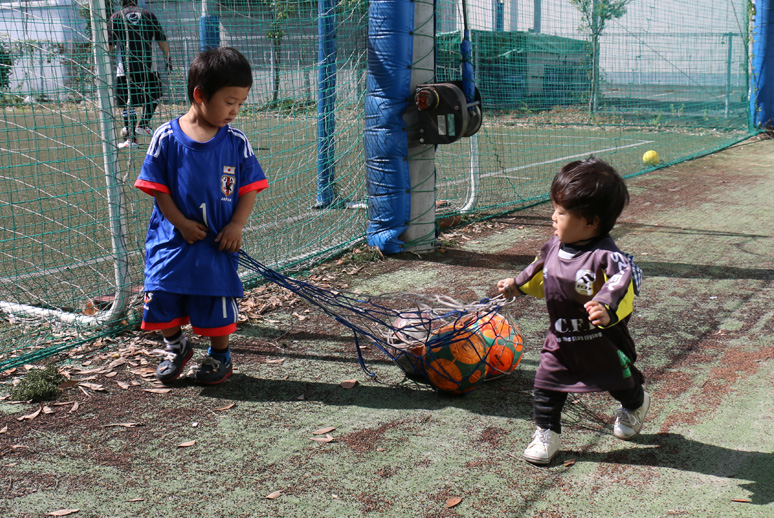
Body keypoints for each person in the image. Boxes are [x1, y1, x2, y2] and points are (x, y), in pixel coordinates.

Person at [496, 156, 648, 465]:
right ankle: (547, 433)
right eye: (555, 209)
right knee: (546, 385)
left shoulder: (608, 257)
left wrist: (606, 307)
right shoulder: (553, 246)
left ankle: (636, 403)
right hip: (561, 339)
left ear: (591, 222)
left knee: (620, 383)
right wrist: (517, 285)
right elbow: (539, 271)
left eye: (561, 212)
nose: (553, 217)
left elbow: (622, 284)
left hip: (601, 342)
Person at [134, 47, 268, 385]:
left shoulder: (236, 142)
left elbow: (249, 188)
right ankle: (176, 346)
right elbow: (158, 188)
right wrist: (180, 223)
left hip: (215, 244)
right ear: (199, 95)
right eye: (229, 101)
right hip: (171, 241)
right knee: (161, 294)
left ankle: (220, 355)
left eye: (241, 103)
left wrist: (236, 225)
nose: (235, 111)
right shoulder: (166, 137)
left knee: (216, 298)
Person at [109, 0, 172, 149]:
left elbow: (110, 45)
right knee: (155, 95)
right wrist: (168, 57)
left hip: (125, 68)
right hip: (148, 66)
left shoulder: (116, 17)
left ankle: (131, 140)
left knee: (127, 102)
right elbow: (161, 38)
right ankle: (143, 124)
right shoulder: (148, 15)